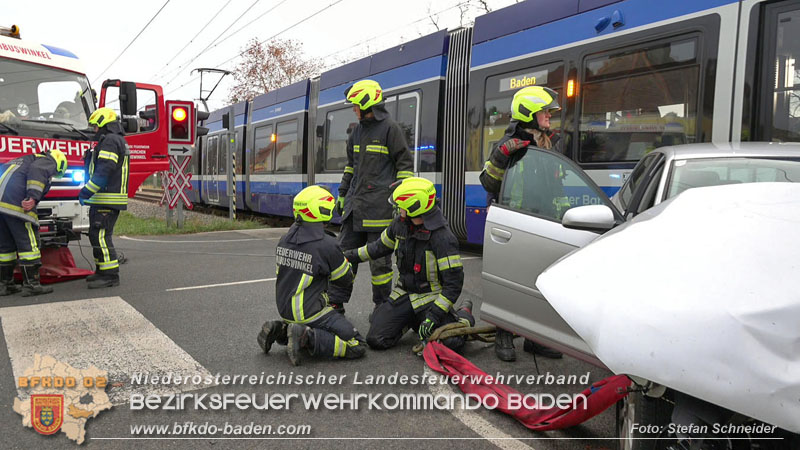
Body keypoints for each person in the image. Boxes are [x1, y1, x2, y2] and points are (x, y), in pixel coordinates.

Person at [479, 86, 565, 362]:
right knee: (509, 282)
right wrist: (501, 156)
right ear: (529, 113)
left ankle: (536, 339)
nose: (549, 116)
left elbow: (554, 186)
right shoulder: (508, 144)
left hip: (543, 222)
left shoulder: (548, 143)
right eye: (545, 111)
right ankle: (503, 335)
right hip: (514, 222)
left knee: (540, 283)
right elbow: (488, 183)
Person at [344, 177, 475, 351]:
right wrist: (347, 256)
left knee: (452, 343)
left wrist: (434, 316)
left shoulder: (443, 238)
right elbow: (378, 248)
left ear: (415, 208)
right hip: (405, 294)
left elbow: (453, 284)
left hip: (431, 299)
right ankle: (414, 320)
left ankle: (464, 315)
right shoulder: (400, 225)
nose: (398, 210)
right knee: (376, 339)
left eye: (401, 206)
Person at [331, 79, 414, 316]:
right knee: (343, 259)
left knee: (380, 265)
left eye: (356, 105)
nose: (353, 109)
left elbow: (405, 167)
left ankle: (381, 307)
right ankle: (335, 304)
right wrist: (342, 193)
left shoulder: (390, 129)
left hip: (379, 210)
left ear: (367, 104)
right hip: (355, 209)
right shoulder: (356, 132)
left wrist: (401, 202)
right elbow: (351, 166)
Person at [258, 185, 366, 366]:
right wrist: (343, 259)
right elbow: (345, 280)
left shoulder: (284, 239)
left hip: (285, 309)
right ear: (322, 210)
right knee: (357, 344)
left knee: (312, 324)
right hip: (309, 312)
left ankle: (281, 330)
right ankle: (306, 337)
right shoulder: (327, 244)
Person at [0, 149, 68, 296]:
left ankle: (4, 284)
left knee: (5, 248)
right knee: (29, 246)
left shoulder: (20, 161)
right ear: (59, 163)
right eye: (54, 174)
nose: (52, 176)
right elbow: (38, 171)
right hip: (16, 206)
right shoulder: (46, 161)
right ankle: (32, 284)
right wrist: (33, 197)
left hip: (1, 208)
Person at [78, 107, 130, 289]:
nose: (94, 131)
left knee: (100, 236)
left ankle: (110, 276)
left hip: (107, 199)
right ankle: (102, 270)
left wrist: (86, 192)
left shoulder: (110, 141)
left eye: (95, 127)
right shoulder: (113, 140)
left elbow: (104, 170)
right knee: (96, 235)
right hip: (104, 199)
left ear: (103, 124)